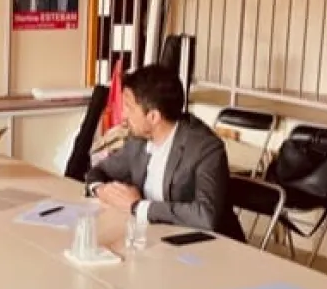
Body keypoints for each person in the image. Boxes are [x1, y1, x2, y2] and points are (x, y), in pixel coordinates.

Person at [85, 64, 245, 241]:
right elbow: (99, 171)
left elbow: (205, 215)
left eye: (129, 108)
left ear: (153, 117)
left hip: (209, 248)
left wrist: (138, 207)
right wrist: (100, 189)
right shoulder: (138, 140)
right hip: (156, 238)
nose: (123, 115)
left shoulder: (205, 148)